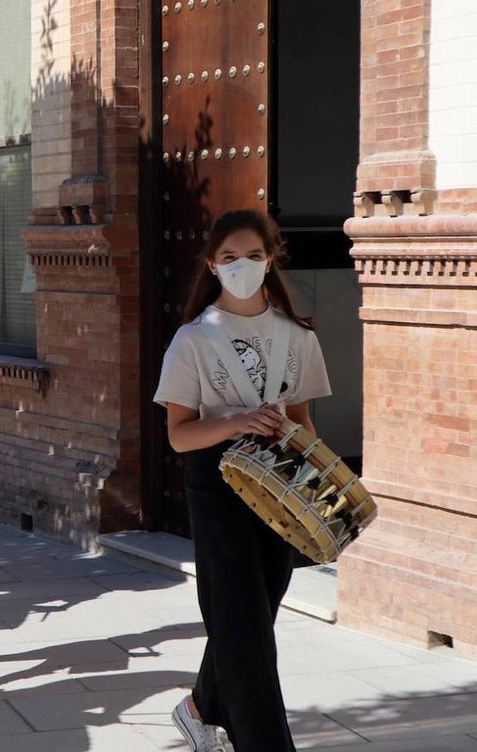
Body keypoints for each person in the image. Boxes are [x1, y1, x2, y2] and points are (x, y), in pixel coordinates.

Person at [153, 209, 331, 752]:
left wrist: (322, 486)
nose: (242, 266)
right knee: (246, 632)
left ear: (270, 259)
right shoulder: (193, 339)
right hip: (218, 483)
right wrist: (235, 421)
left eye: (253, 255)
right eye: (229, 257)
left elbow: (302, 423)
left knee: (252, 618)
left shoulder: (296, 336)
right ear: (212, 264)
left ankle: (202, 706)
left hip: (280, 480)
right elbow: (179, 436)